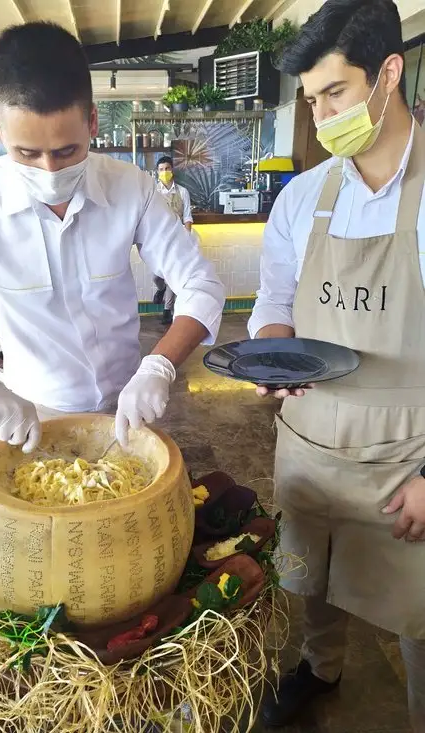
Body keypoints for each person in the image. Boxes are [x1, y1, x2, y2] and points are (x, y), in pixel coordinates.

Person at [0, 22, 224, 452]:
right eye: (26, 153)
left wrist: (158, 368)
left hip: (130, 405)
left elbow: (201, 285)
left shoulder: (131, 187)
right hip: (33, 415)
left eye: (66, 151)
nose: (49, 170)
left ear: (92, 122)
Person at [247, 1, 425, 730]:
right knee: (307, 581)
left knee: (416, 619)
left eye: (336, 93)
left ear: (389, 73)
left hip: (404, 458)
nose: (322, 118)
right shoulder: (303, 198)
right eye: (312, 101)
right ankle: (320, 669)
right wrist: (269, 348)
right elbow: (273, 300)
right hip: (311, 443)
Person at [153, 156, 194, 326]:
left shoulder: (183, 192)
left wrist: (186, 237)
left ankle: (167, 310)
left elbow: (187, 216)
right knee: (156, 275)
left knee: (172, 274)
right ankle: (160, 289)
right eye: (161, 169)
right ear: (157, 172)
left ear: (172, 170)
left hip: (178, 238)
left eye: (167, 168)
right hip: (158, 239)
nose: (164, 172)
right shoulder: (153, 192)